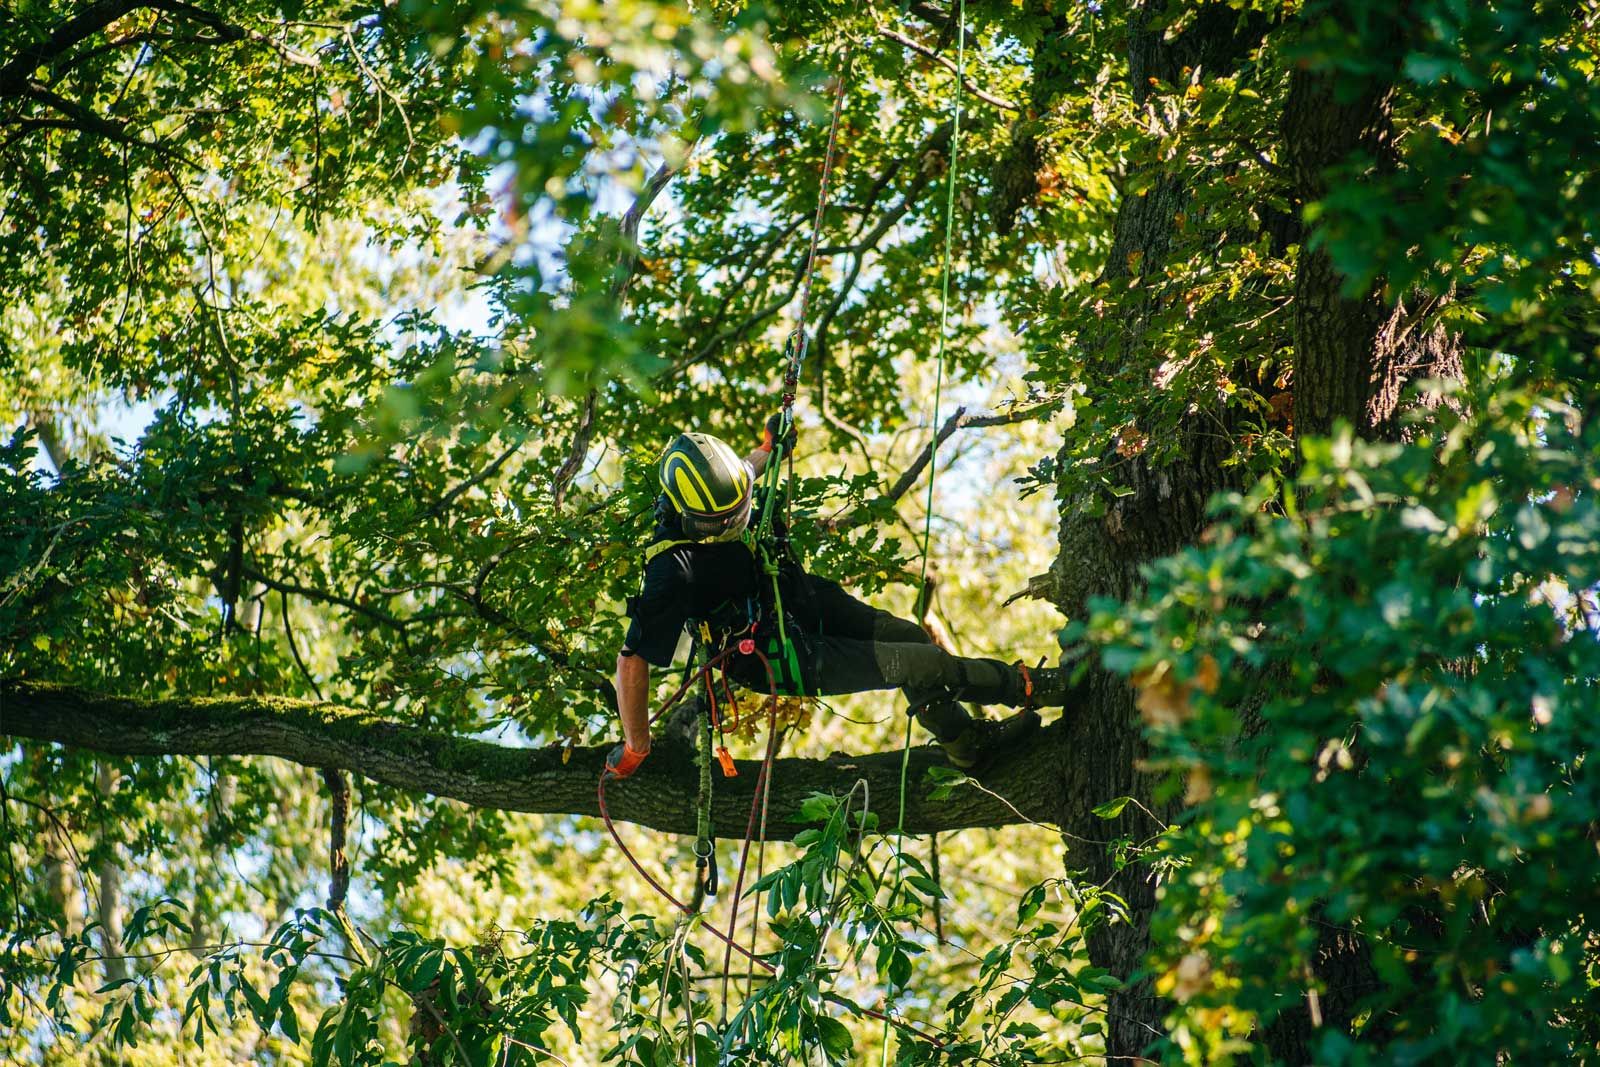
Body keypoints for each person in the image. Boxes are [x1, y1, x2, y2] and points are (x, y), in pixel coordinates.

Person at [604, 414, 1074, 779]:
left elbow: (750, 466)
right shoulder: (671, 571)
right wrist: (637, 745)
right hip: (778, 652)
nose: (736, 522)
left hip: (799, 599)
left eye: (740, 511)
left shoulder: (724, 487)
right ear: (691, 520)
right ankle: (1031, 687)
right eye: (725, 522)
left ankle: (967, 747)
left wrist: (771, 445)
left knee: (910, 637)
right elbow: (632, 661)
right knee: (919, 665)